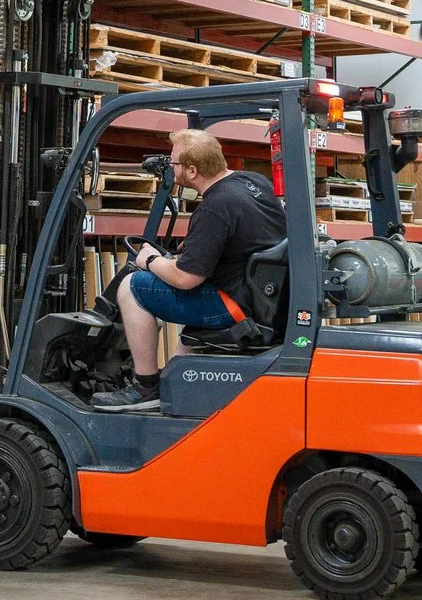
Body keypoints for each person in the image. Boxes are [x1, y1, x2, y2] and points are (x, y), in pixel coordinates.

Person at [92, 128, 285, 411]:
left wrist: (151, 261)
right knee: (185, 339)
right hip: (265, 298)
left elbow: (185, 279)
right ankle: (176, 387)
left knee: (132, 286)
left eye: (174, 163)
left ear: (192, 171)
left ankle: (145, 386)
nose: (171, 167)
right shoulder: (254, 183)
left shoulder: (214, 208)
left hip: (234, 304)